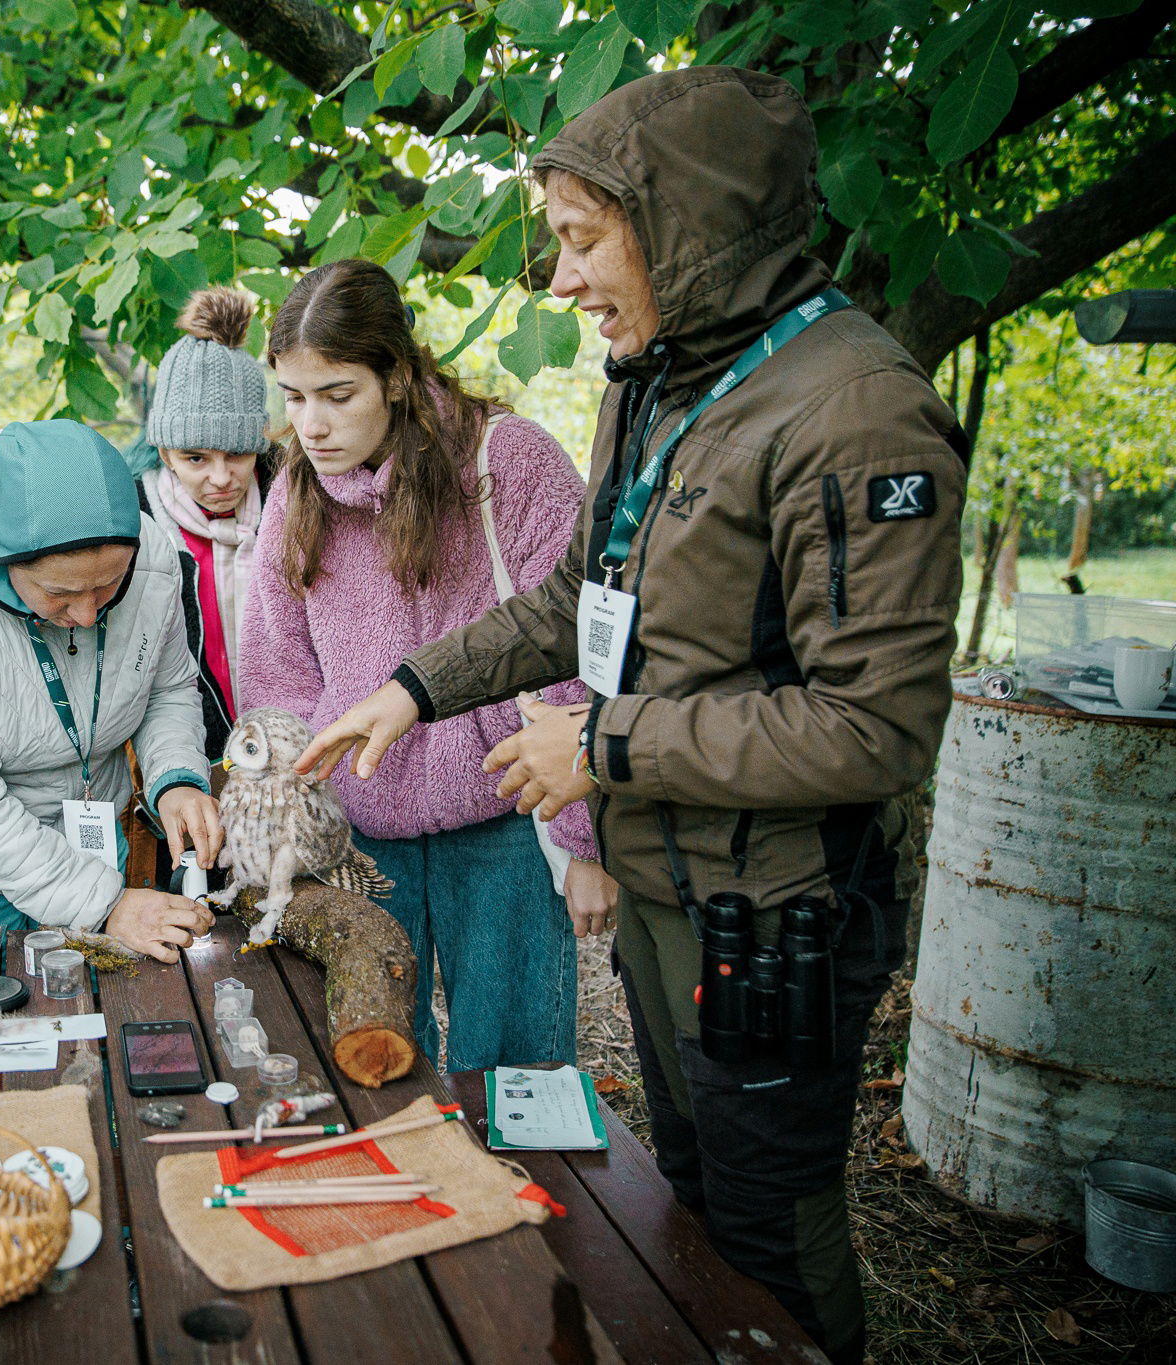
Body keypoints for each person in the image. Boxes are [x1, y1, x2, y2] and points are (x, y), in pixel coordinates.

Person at [299, 68, 967, 1365]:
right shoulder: (653, 380)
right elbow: (577, 600)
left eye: (583, 239)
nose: (560, 280)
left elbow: (873, 727)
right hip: (670, 883)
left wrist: (600, 747)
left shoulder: (855, 411)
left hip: (774, 911)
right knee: (695, 1209)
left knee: (770, 1236)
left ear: (687, 228)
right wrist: (413, 687)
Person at [239, 257, 617, 1073]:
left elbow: (573, 649)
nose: (311, 424)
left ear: (398, 376)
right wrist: (290, 822)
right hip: (359, 833)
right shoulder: (295, 493)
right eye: (294, 397)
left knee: (515, 1073)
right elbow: (277, 673)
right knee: (375, 1059)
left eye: (338, 394)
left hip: (508, 817)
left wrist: (582, 843)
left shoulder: (508, 461)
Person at [0, 419, 220, 962]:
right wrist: (106, 904)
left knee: (95, 996)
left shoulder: (152, 556)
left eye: (109, 585)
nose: (87, 614)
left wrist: (175, 778)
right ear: (4, 563)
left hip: (86, 829)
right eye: (60, 593)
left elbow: (167, 687)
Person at [136, 285, 276, 758]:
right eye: (195, 458)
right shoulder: (139, 521)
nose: (220, 478)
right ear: (165, 453)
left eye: (236, 454)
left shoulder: (293, 504)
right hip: (190, 753)